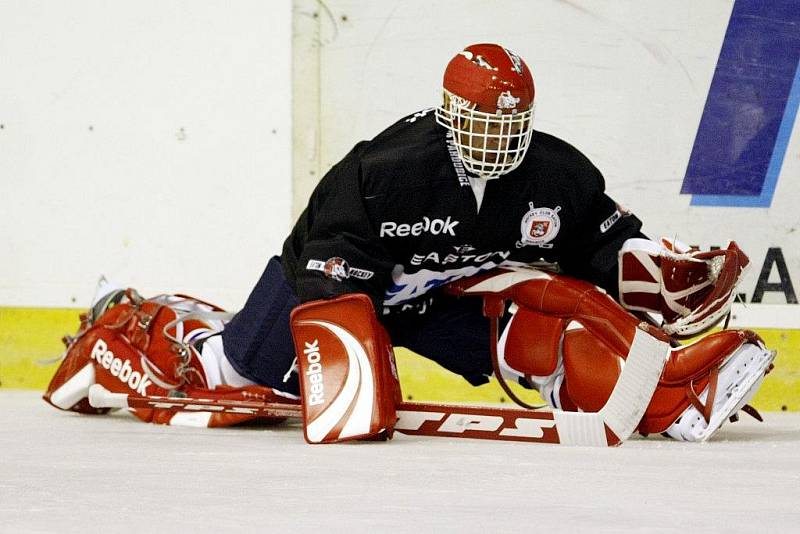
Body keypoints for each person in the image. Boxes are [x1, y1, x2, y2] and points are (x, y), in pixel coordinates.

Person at [44, 43, 775, 442]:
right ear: (452, 115)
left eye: (510, 125)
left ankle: (659, 398)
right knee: (235, 375)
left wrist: (647, 271)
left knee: (540, 326)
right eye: (485, 124)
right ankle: (142, 326)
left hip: (438, 296)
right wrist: (350, 339)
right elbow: (320, 250)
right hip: (337, 283)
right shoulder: (387, 171)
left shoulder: (558, 171)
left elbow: (599, 245)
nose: (499, 141)